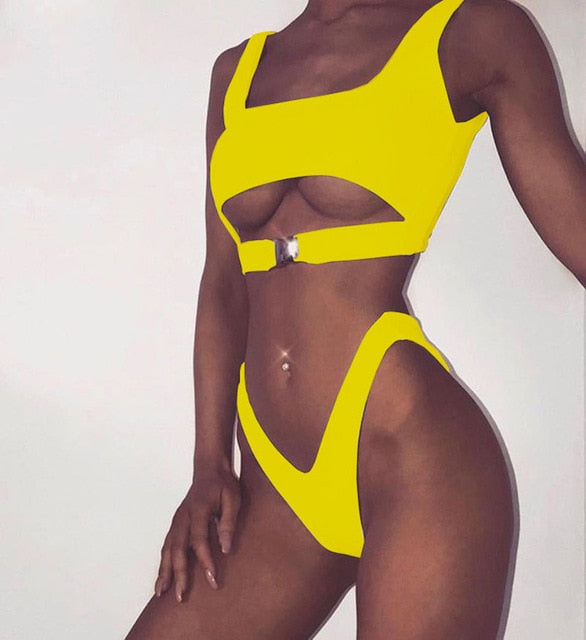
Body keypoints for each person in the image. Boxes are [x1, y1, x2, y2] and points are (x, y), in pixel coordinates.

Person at [125, 0, 586, 637]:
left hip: (412, 456)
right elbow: (224, 282)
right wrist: (209, 462)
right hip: (274, 488)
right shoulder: (236, 71)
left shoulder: (468, 32)